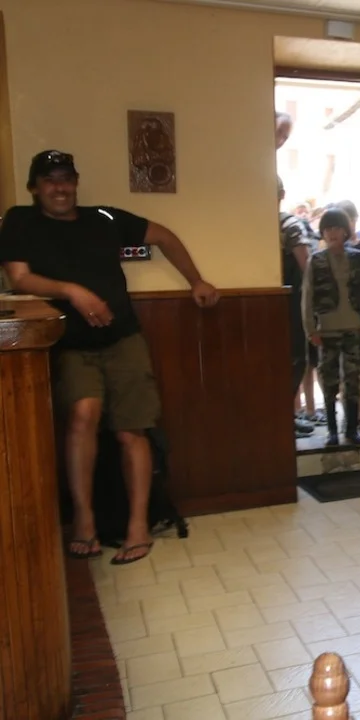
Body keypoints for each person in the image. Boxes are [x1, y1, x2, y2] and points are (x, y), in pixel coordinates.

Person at [0, 150, 219, 565]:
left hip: (123, 338)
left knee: (132, 428)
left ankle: (138, 526)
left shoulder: (104, 218)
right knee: (83, 414)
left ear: (76, 183)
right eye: (49, 180)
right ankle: (85, 521)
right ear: (34, 188)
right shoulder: (20, 220)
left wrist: (196, 280)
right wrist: (73, 292)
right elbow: (19, 276)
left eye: (66, 179)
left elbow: (164, 237)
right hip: (69, 342)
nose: (60, 187)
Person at [301, 208, 360, 446]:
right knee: (329, 380)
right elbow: (307, 297)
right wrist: (311, 329)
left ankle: (352, 429)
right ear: (322, 232)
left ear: (345, 231)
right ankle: (332, 431)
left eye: (337, 228)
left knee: (352, 379)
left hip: (353, 326)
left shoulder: (357, 258)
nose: (333, 233)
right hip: (327, 329)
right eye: (328, 229)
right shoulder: (315, 260)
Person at [279, 176, 317, 437]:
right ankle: (284, 418)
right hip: (293, 303)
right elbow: (307, 266)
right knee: (296, 359)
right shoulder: (290, 225)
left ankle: (285, 417)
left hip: (271, 303)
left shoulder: (252, 223)